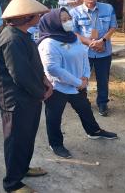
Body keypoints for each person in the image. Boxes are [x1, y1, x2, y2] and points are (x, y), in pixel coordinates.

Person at [38, 8, 118, 159]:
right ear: (53, 22)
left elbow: (84, 56)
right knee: (54, 116)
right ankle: (56, 144)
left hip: (79, 85)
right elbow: (53, 68)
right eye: (63, 20)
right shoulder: (48, 43)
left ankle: (93, 131)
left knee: (85, 109)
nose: (68, 22)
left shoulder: (71, 37)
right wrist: (77, 82)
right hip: (57, 87)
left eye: (69, 18)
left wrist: (86, 77)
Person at [0, 0, 52, 193]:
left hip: (29, 96)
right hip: (16, 99)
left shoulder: (22, 34)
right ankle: (12, 183)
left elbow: (33, 63)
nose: (40, 16)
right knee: (16, 140)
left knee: (27, 136)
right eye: (36, 14)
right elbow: (21, 75)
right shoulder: (12, 39)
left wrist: (44, 80)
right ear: (26, 17)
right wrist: (40, 92)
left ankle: (23, 168)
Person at [70, 0, 117, 116]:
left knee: (103, 79)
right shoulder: (74, 12)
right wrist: (91, 43)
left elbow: (113, 27)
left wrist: (102, 41)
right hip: (84, 53)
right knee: (82, 78)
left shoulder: (108, 8)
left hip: (104, 51)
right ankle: (82, 102)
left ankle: (102, 103)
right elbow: (73, 33)